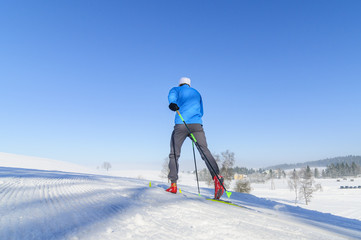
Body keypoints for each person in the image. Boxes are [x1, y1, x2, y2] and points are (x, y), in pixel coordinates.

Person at [166, 77, 224, 199]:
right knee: (204, 151)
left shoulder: (176, 89)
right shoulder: (197, 93)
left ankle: (173, 184)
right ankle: (217, 177)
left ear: (180, 83)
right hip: (197, 125)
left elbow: (172, 99)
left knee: (174, 154)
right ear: (189, 84)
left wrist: (173, 104)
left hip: (181, 124)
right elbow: (201, 111)